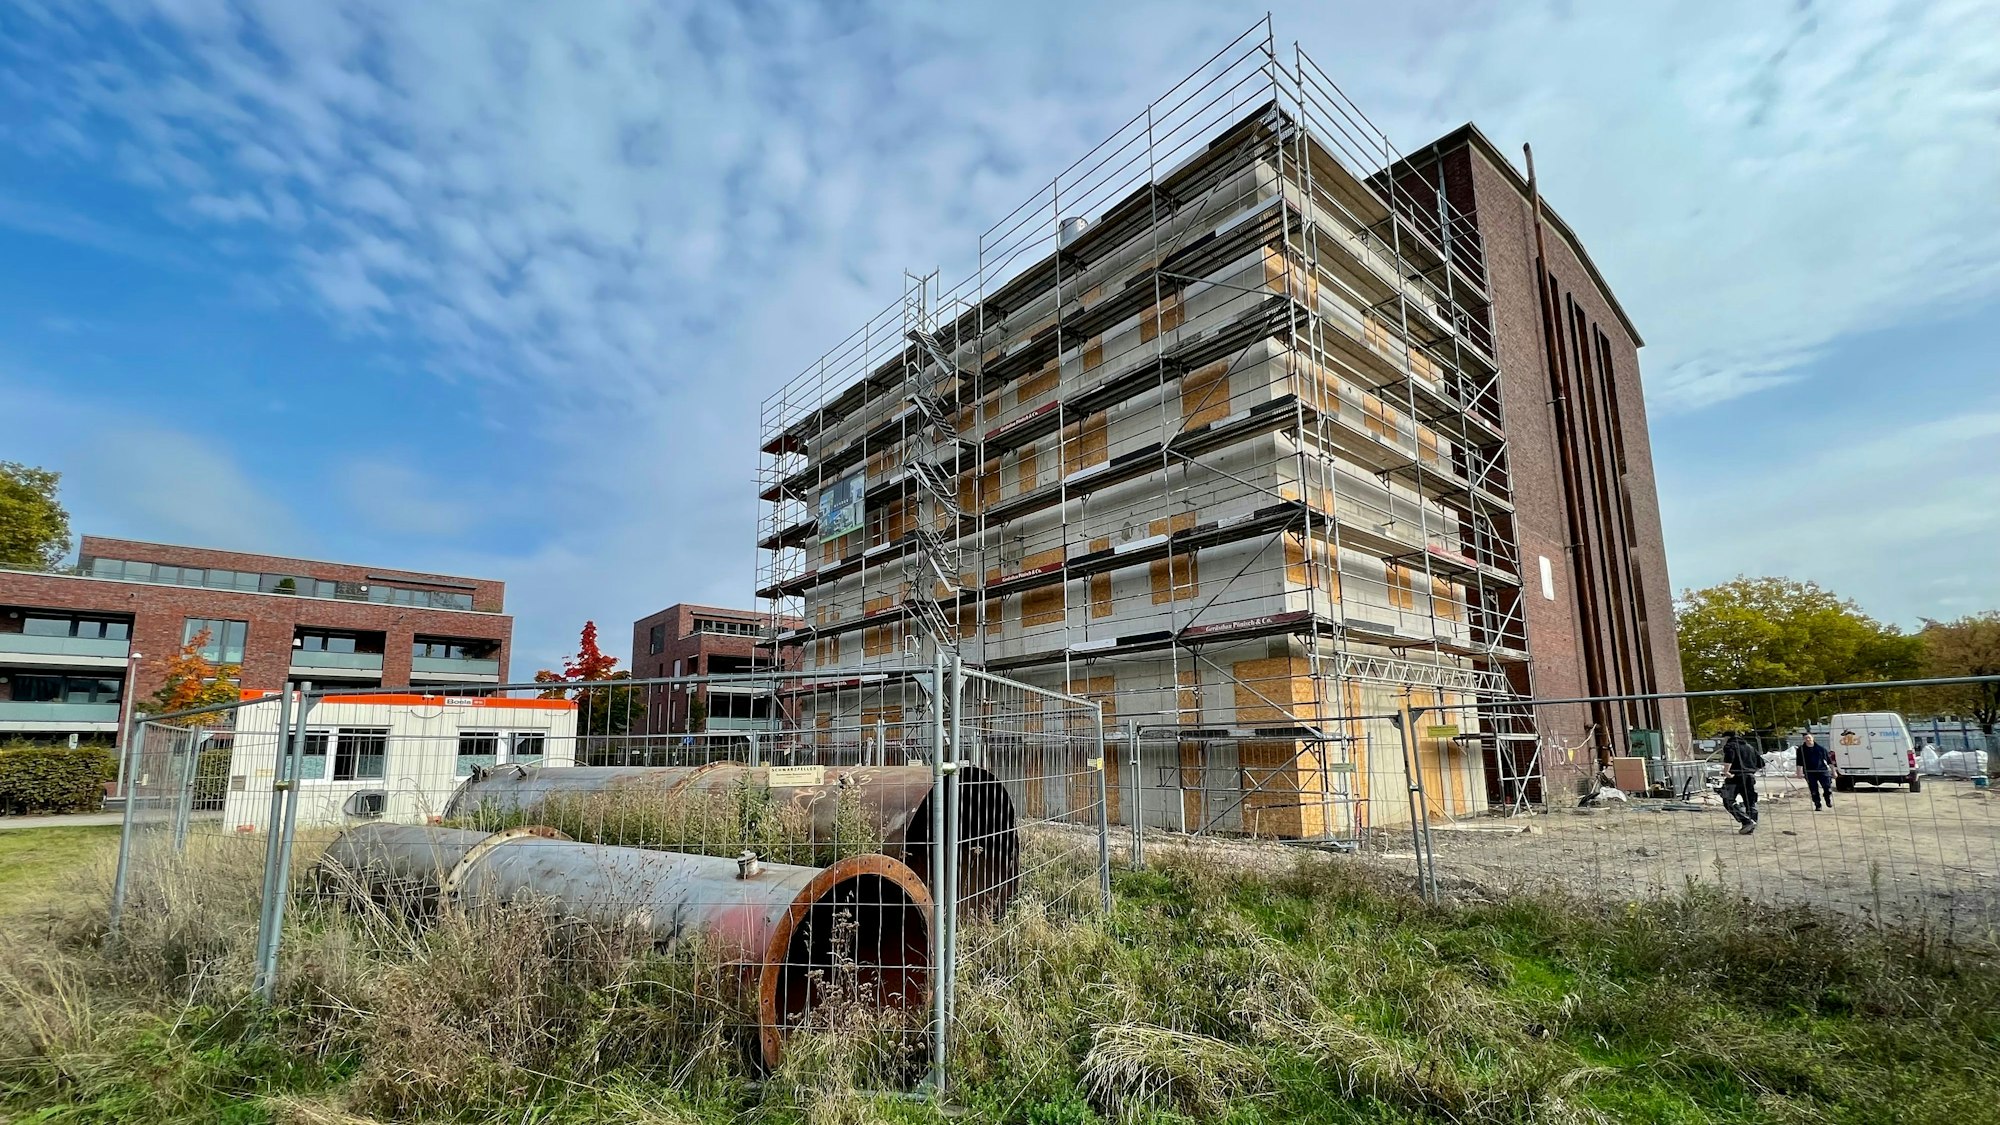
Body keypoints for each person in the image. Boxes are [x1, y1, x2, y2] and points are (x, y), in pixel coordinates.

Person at [1720, 732, 1764, 835]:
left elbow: (1729, 758)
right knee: (1750, 802)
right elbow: (1761, 763)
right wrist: (1750, 770)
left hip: (1735, 776)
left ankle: (1746, 821)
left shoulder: (1730, 745)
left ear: (1727, 737)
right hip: (1749, 777)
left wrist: (1726, 771)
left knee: (1728, 800)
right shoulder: (1750, 747)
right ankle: (1751, 825)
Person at [1796, 732, 1836, 810]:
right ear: (1804, 740)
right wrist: (1799, 772)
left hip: (1822, 771)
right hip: (1809, 772)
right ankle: (1818, 805)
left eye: (1809, 738)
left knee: (1827, 788)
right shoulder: (1801, 750)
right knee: (1814, 790)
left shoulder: (1821, 749)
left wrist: (1833, 771)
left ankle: (1827, 799)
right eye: (1806, 738)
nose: (1808, 739)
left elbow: (1829, 761)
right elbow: (1799, 762)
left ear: (1813, 738)